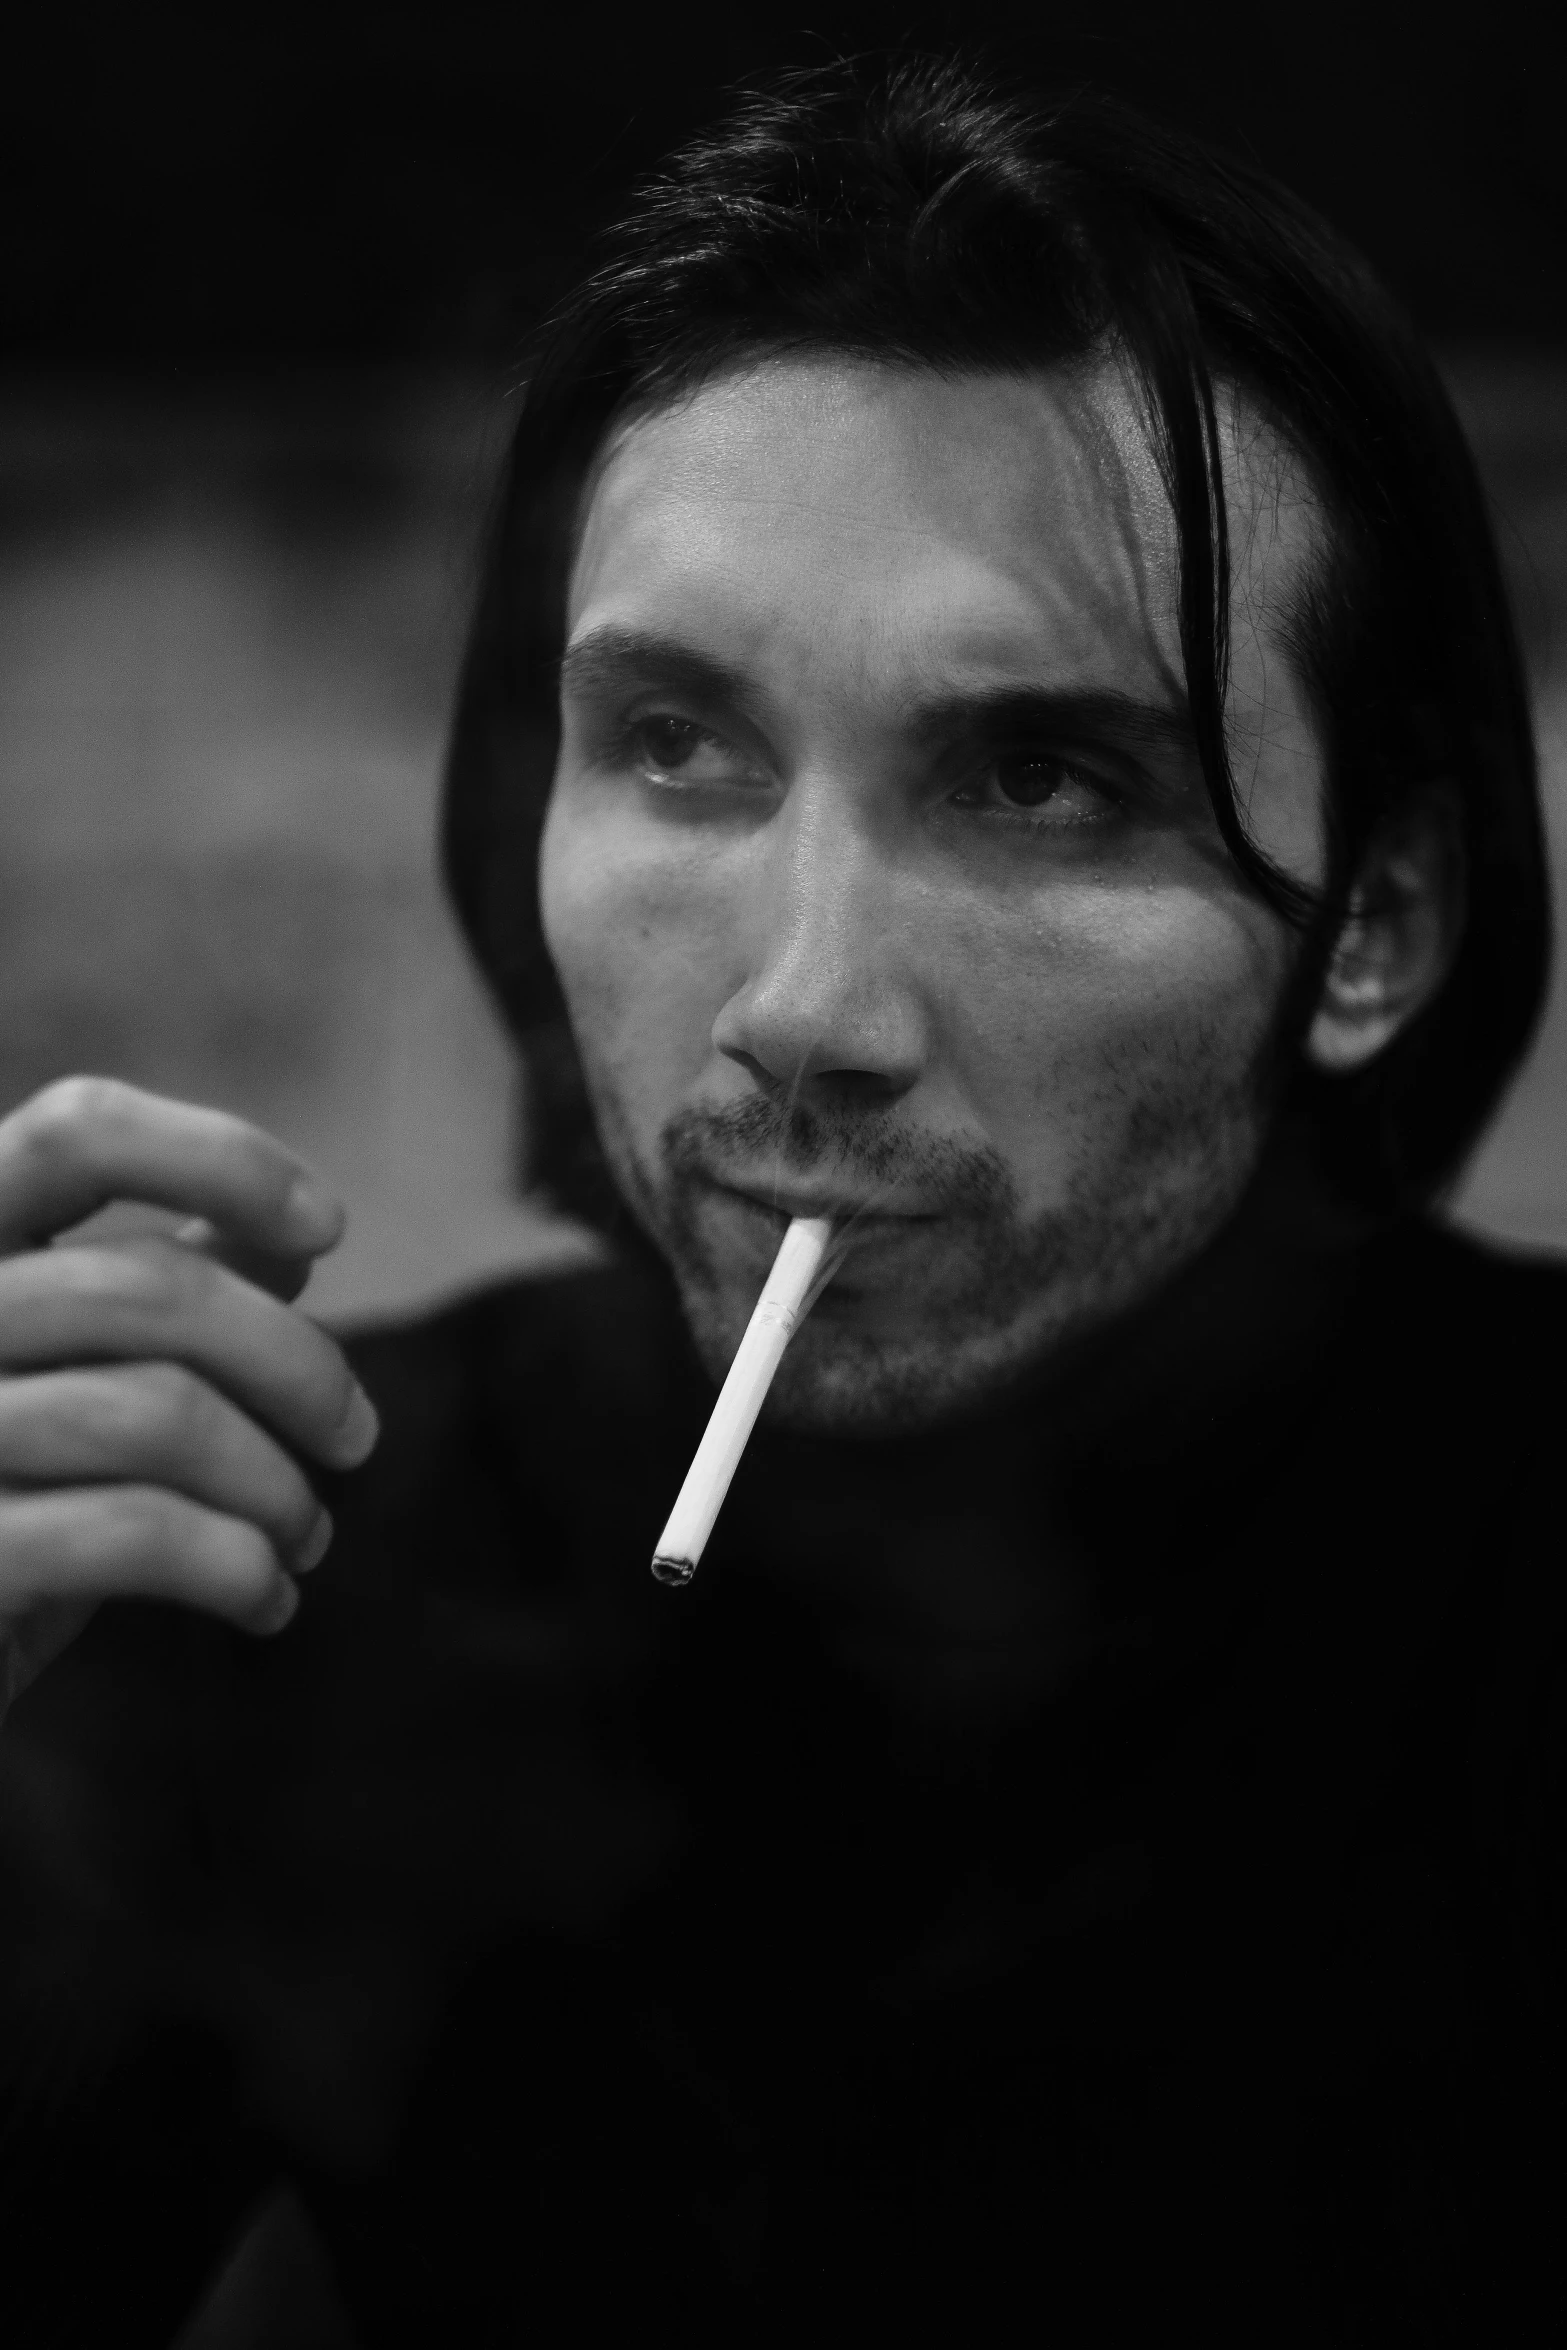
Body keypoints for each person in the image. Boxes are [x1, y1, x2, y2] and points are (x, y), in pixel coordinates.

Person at [1, 54, 1561, 2347]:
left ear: (1377, 921)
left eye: (1037, 775)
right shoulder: (275, 1567)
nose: (809, 1001)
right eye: (676, 744)